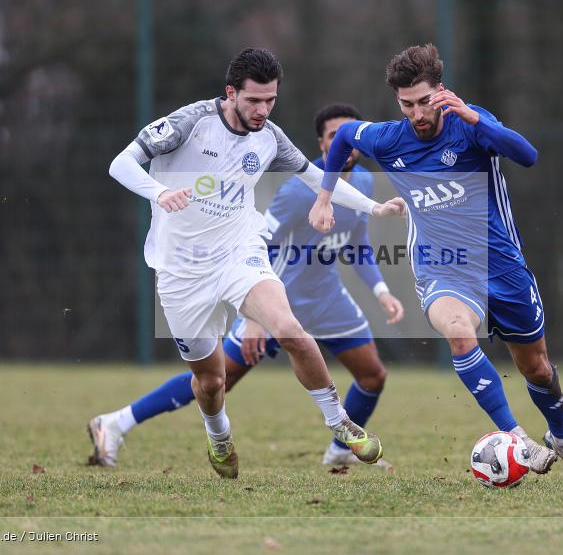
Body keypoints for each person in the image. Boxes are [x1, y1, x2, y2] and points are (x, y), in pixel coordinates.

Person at [92, 48, 404, 479]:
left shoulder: (270, 137)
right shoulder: (189, 123)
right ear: (230, 93)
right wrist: (159, 192)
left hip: (240, 251)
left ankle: (340, 424)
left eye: (270, 100)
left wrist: (375, 208)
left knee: (290, 329)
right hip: (182, 269)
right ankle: (218, 435)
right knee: (211, 382)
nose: (262, 110)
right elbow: (120, 163)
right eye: (254, 100)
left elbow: (317, 178)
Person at [308, 44, 563, 485]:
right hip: (442, 267)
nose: (417, 113)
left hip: (502, 266)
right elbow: (346, 136)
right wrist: (324, 197)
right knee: (458, 332)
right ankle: (518, 438)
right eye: (406, 104)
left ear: (441, 92)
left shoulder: (471, 125)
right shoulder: (389, 139)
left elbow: (527, 155)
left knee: (538, 369)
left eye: (424, 101)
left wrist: (475, 119)